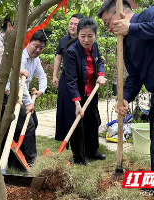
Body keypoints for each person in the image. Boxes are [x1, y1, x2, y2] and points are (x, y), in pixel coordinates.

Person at [98, 0, 154, 199]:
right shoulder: (125, 45)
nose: (108, 29)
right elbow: (135, 77)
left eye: (107, 23)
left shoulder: (150, 15)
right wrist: (124, 98)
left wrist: (132, 28)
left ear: (120, 13)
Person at [55, 17, 107, 165]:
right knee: (77, 124)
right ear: (77, 35)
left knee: (92, 120)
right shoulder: (71, 52)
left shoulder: (94, 46)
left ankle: (92, 151)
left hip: (90, 91)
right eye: (83, 36)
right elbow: (71, 80)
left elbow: (100, 61)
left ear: (95, 35)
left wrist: (101, 74)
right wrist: (77, 103)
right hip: (73, 93)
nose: (86, 40)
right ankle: (79, 158)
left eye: (90, 36)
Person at [8, 30, 47, 170]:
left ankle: (19, 157)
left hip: (23, 96)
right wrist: (29, 102)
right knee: (28, 123)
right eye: (35, 46)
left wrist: (41, 90)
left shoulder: (35, 60)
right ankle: (31, 161)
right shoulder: (20, 57)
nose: (37, 50)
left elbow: (42, 76)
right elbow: (19, 84)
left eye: (41, 48)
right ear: (29, 43)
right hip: (11, 95)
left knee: (33, 122)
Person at [52, 13, 83, 88]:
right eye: (71, 23)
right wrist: (54, 75)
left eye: (76, 24)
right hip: (66, 76)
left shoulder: (84, 41)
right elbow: (58, 58)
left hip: (81, 77)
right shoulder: (63, 40)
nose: (72, 26)